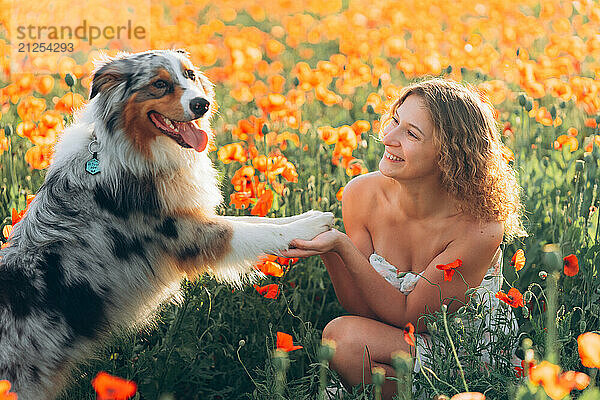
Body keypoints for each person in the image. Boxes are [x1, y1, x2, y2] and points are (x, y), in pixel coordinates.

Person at [281, 78, 524, 399]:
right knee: (344, 339)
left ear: (449, 155)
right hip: (395, 337)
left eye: (411, 133)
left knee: (342, 339)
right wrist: (329, 248)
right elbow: (361, 308)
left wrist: (342, 246)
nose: (388, 137)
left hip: (461, 349)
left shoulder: (480, 226)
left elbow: (414, 318)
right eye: (395, 120)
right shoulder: (361, 194)